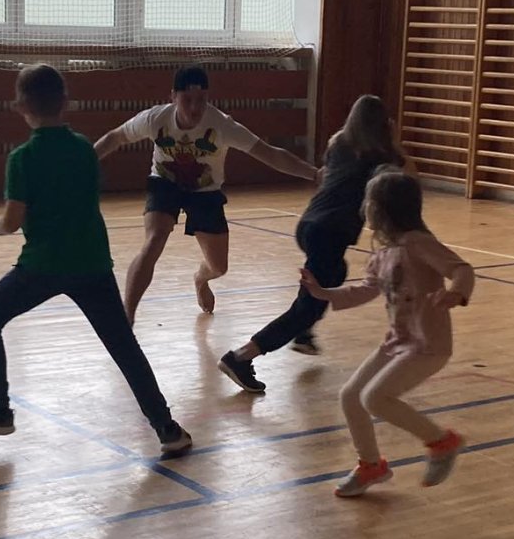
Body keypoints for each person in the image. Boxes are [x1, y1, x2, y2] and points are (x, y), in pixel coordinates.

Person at [0, 65, 194, 459]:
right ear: (65, 102)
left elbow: (12, 221)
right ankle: (167, 428)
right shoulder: (83, 149)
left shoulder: (22, 158)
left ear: (20, 106)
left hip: (43, 266)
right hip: (93, 263)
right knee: (123, 346)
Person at [94, 65, 318, 322]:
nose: (194, 107)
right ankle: (127, 317)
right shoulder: (155, 118)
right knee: (154, 240)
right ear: (173, 97)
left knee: (219, 267)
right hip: (165, 184)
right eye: (187, 100)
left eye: (201, 100)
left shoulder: (222, 125)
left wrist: (313, 174)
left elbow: (270, 153)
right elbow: (115, 137)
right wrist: (85, 163)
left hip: (205, 192)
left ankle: (201, 279)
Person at [302, 167, 475, 498]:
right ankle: (371, 466)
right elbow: (366, 290)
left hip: (428, 344)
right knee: (351, 396)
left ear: (383, 208)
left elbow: (461, 269)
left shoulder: (419, 244)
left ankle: (442, 442)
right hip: (398, 342)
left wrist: (456, 293)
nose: (364, 207)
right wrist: (324, 293)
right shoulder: (383, 253)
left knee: (375, 398)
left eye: (369, 201)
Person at [218, 94, 408, 393]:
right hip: (330, 233)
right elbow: (404, 178)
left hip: (309, 225)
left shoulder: (339, 145)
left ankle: (303, 333)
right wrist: (394, 141)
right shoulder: (380, 156)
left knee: (336, 274)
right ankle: (241, 357)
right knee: (306, 306)